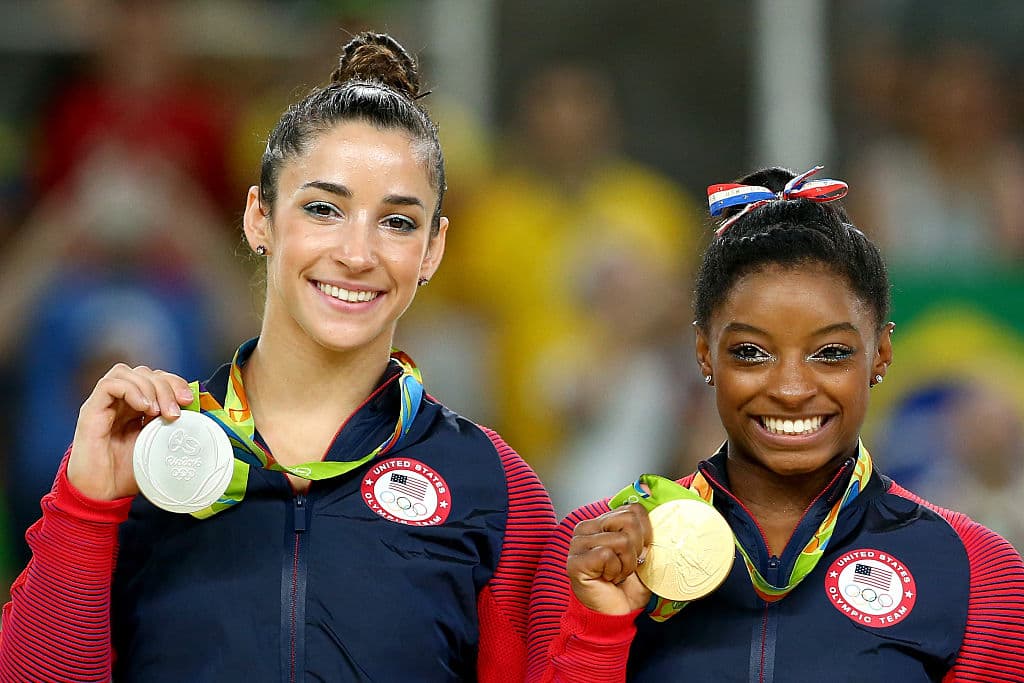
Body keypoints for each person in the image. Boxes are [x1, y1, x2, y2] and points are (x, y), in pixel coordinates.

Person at [0, 31, 555, 681]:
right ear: (259, 218)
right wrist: (88, 508)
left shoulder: (496, 487)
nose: (357, 252)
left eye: (398, 221)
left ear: (432, 250)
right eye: (323, 208)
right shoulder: (145, 454)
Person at [526, 166, 1024, 681]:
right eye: (750, 353)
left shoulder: (975, 569)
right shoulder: (594, 548)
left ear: (881, 354)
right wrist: (599, 628)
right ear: (704, 354)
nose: (790, 389)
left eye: (831, 353)